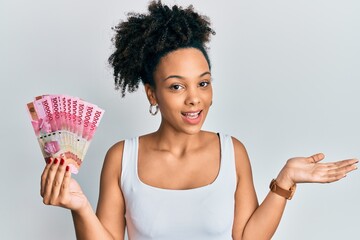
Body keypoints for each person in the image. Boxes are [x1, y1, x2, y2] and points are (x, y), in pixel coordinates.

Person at [40, 1, 358, 239]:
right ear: (152, 94)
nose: (195, 98)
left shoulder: (233, 152)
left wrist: (285, 180)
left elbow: (247, 237)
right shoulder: (122, 158)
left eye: (203, 83)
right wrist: (80, 207)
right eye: (177, 86)